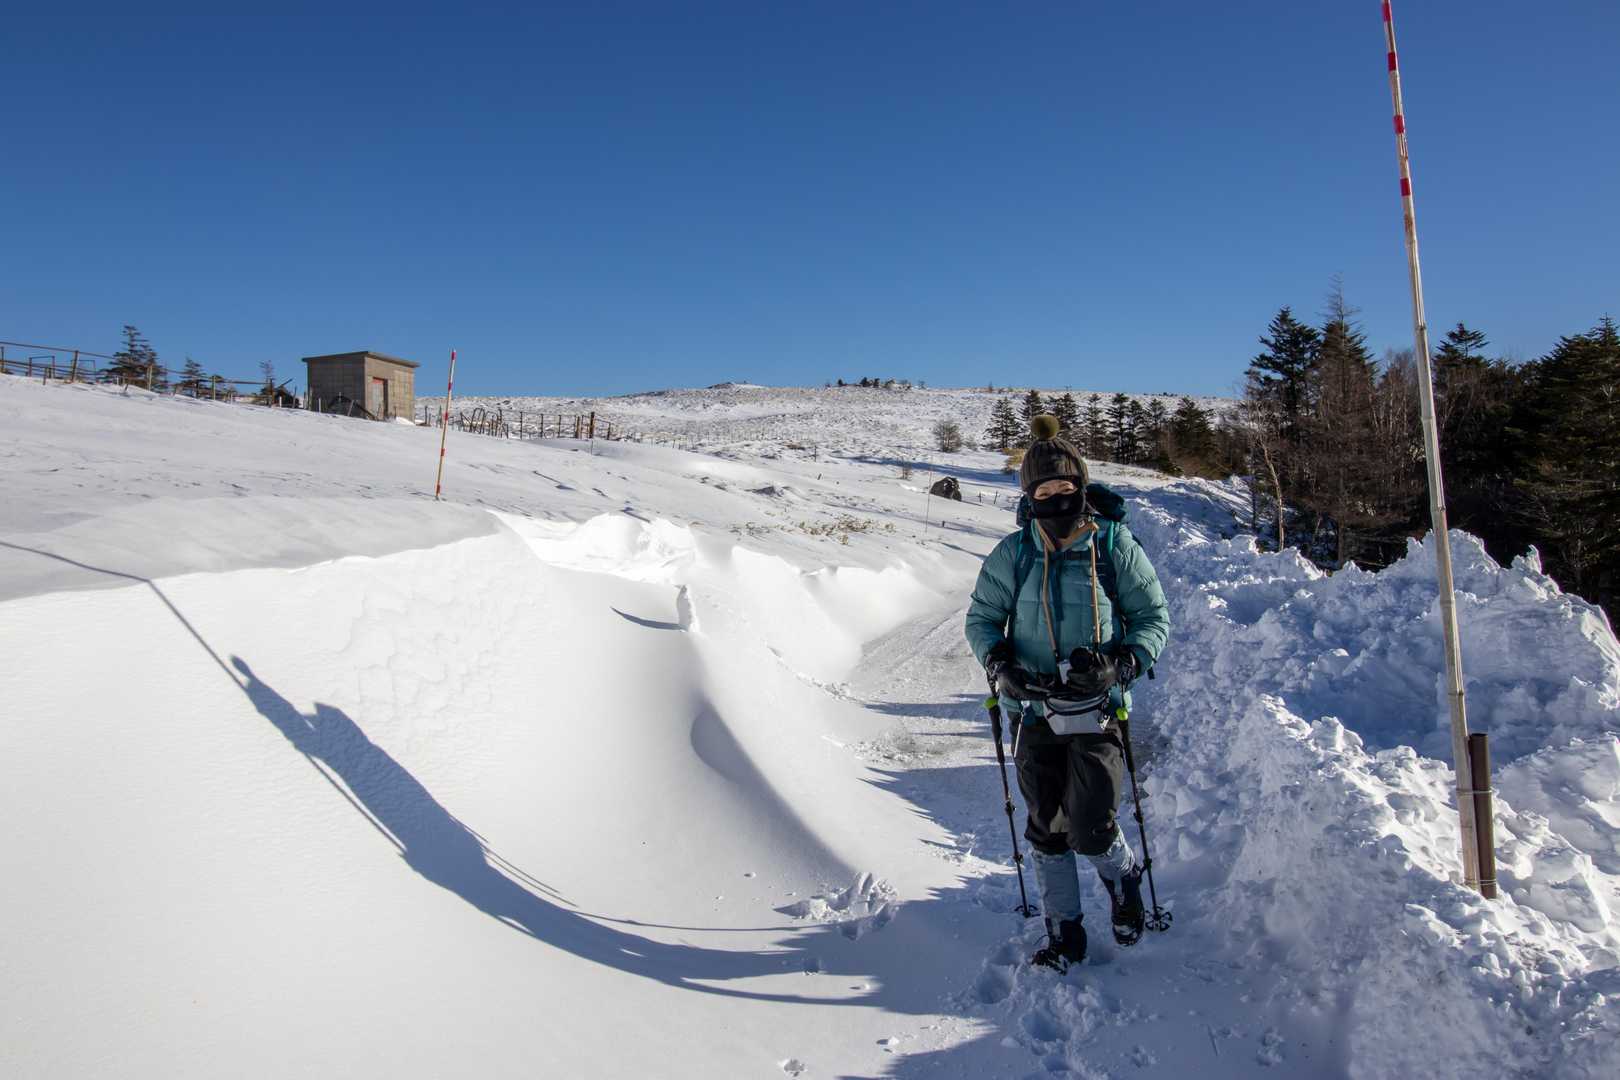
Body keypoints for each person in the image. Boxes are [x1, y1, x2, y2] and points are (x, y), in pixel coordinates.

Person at [964, 414, 1170, 970]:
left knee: (1092, 826)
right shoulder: (1014, 553)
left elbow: (1152, 617)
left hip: (1098, 710)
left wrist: (1120, 665)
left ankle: (1124, 880)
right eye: (1043, 491)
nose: (1056, 498)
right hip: (1032, 711)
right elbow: (983, 619)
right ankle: (1064, 932)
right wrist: (1000, 664)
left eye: (1065, 487)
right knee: (1046, 828)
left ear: (1081, 485)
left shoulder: (1115, 546)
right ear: (1029, 497)